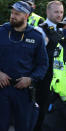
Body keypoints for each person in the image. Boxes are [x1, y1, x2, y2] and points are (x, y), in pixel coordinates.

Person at [0, 1, 48, 131]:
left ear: (26, 16)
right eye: (12, 13)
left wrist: (31, 79)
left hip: (23, 92)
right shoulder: (1, 31)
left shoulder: (36, 37)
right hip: (2, 89)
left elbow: (43, 64)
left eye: (17, 14)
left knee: (24, 127)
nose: (12, 16)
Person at [33, 1, 64, 131]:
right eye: (56, 12)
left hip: (60, 80)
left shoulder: (63, 30)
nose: (59, 15)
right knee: (42, 115)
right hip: (44, 80)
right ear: (47, 12)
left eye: (61, 12)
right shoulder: (40, 30)